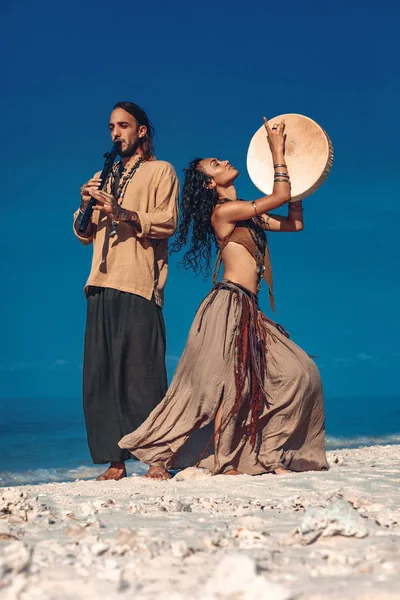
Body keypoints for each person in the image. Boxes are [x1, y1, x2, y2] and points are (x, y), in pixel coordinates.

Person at [119, 117, 328, 479]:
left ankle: (265, 451)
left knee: (300, 373)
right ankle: (203, 460)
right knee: (217, 388)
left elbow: (295, 222)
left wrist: (296, 172)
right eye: (215, 165)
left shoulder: (251, 215)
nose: (224, 161)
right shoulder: (224, 212)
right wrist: (277, 151)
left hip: (251, 309)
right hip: (227, 306)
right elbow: (277, 197)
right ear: (209, 183)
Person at [73, 101, 179, 480]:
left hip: (138, 282)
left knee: (142, 374)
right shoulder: (105, 175)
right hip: (99, 282)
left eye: (123, 125)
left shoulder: (160, 171)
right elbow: (83, 235)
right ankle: (115, 462)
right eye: (111, 127)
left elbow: (167, 223)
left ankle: (158, 458)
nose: (115, 133)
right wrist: (86, 204)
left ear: (142, 131)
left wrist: (120, 212)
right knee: (100, 378)